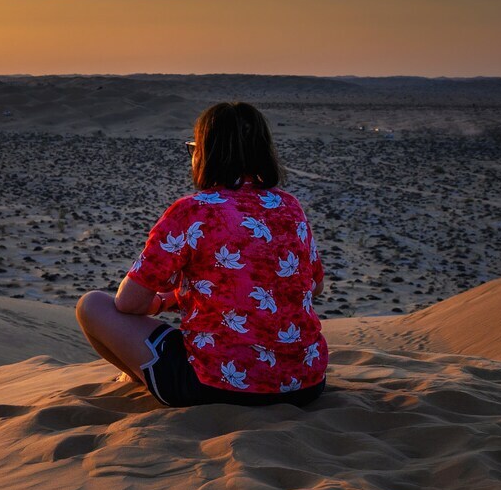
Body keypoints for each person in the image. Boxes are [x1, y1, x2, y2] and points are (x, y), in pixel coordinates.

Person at [75, 102, 327, 407]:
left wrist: (157, 303)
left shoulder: (193, 211)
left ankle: (140, 376)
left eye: (194, 147)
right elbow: (313, 286)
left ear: (205, 154)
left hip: (216, 387)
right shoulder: (290, 206)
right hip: (306, 384)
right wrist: (181, 298)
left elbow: (128, 303)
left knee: (92, 306)